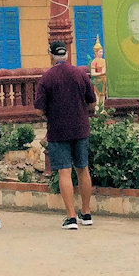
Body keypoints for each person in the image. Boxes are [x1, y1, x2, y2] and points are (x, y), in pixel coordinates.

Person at [35, 40, 97, 229]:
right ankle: (86, 214)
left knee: (64, 171)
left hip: (58, 129)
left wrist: (51, 114)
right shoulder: (80, 74)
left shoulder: (46, 78)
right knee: (83, 169)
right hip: (80, 127)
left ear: (51, 55)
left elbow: (39, 110)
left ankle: (70, 217)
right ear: (67, 54)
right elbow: (92, 102)